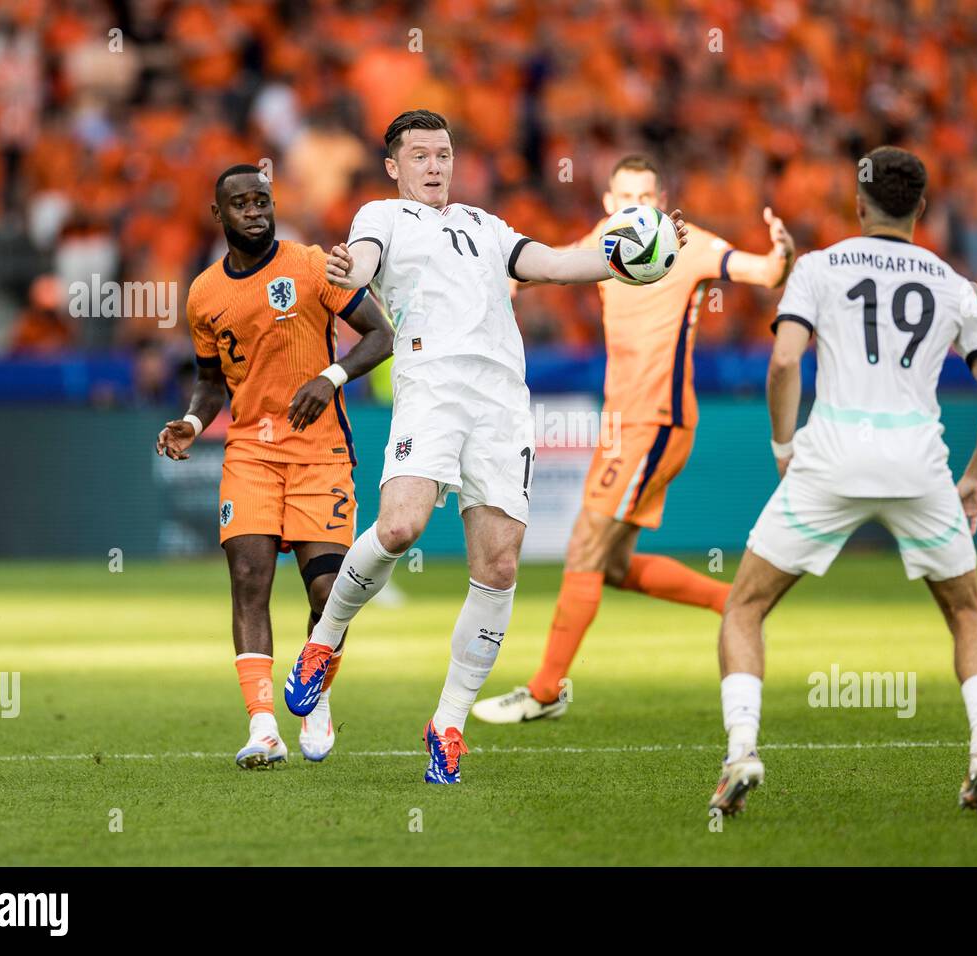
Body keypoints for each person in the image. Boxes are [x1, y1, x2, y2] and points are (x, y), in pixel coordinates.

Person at [281, 110, 689, 784]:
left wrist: (631, 253)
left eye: (443, 153)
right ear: (394, 166)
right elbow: (363, 266)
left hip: (503, 403)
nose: (435, 165)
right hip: (432, 385)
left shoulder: (485, 226)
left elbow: (556, 263)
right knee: (401, 524)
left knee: (498, 569)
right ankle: (322, 646)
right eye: (419, 156)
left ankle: (448, 723)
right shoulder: (381, 217)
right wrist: (349, 268)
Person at [710, 146, 977, 816]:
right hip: (918, 464)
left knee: (745, 607)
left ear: (858, 203)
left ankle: (742, 750)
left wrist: (784, 444)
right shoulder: (950, 283)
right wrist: (976, 479)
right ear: (922, 209)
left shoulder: (819, 268)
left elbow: (784, 362)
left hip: (830, 455)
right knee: (967, 612)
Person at [474, 154, 795, 724]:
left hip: (657, 418)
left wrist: (779, 257)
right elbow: (552, 265)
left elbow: (762, 274)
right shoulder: (607, 239)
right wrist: (506, 278)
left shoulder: (687, 241)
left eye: (647, 198)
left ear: (663, 200)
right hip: (622, 422)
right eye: (626, 198)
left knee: (586, 547)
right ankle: (735, 603)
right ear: (607, 204)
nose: (636, 209)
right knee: (614, 566)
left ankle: (546, 691)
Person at [156, 164, 393, 769]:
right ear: (220, 215)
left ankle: (314, 696)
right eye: (241, 203)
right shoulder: (204, 293)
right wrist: (189, 421)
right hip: (251, 454)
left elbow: (380, 335)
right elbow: (211, 383)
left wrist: (331, 376)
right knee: (248, 582)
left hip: (319, 451)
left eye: (262, 200)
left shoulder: (312, 265)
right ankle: (263, 726)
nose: (255, 211)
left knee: (326, 590)